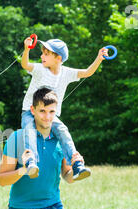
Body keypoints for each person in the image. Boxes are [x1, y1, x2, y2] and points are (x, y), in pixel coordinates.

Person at [20, 36, 107, 180]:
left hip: (51, 116)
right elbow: (25, 64)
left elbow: (87, 72)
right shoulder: (40, 69)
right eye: (42, 53)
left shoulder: (66, 73)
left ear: (58, 58)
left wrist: (99, 58)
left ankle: (76, 164)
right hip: (30, 113)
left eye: (46, 54)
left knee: (63, 131)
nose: (41, 56)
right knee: (29, 131)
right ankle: (31, 162)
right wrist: (26, 49)